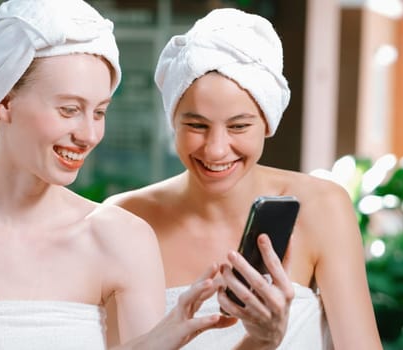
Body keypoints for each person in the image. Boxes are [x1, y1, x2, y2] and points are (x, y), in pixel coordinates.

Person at [0, 1, 234, 349]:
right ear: (5, 101)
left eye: (99, 112)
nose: (89, 134)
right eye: (69, 109)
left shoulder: (123, 238)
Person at [105, 8, 384, 349]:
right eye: (196, 125)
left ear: (268, 122)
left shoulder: (323, 207)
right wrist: (261, 341)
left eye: (238, 126)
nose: (216, 150)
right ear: (172, 122)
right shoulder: (126, 220)